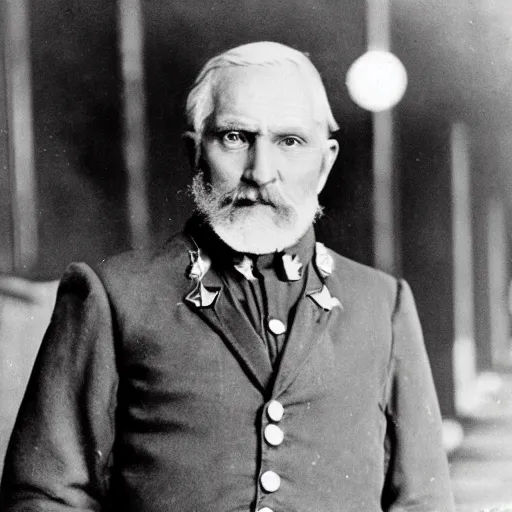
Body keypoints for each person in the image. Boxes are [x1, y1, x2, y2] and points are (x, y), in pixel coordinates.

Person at [0, 41, 455, 511]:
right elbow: (45, 495)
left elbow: (424, 502)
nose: (260, 172)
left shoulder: (383, 304)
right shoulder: (115, 295)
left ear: (325, 163)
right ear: (194, 152)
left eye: (290, 142)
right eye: (236, 137)